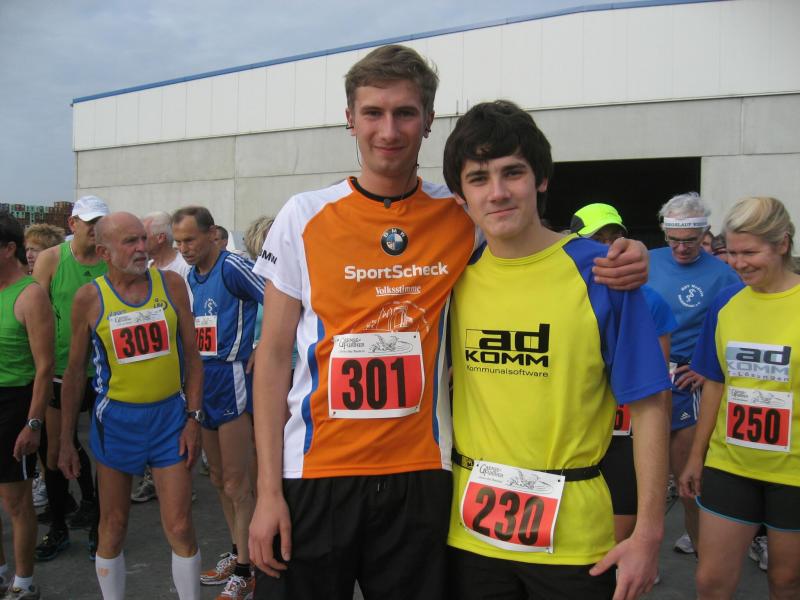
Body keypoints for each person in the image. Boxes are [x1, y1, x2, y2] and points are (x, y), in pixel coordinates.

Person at [248, 44, 649, 600]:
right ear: (350, 119)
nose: (389, 130)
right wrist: (267, 492)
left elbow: (533, 244)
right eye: (373, 113)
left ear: (428, 120)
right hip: (316, 472)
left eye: (405, 113)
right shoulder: (303, 215)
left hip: (423, 474)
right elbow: (271, 358)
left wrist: (625, 254)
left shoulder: (461, 214)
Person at [442, 100, 670, 600]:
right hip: (470, 537)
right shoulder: (453, 276)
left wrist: (648, 534)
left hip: (574, 542)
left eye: (513, 172)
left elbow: (651, 404)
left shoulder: (604, 272)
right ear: (461, 195)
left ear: (541, 179)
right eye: (479, 178)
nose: (498, 192)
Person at [57, 212, 203, 600]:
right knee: (114, 526)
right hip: (117, 422)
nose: (142, 248)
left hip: (170, 418)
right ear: (104, 251)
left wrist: (194, 418)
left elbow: (193, 357)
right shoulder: (90, 298)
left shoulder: (171, 284)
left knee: (180, 525)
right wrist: (66, 440)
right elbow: (74, 373)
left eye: (143, 238)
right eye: (130, 241)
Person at [679, 196, 800, 599]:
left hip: (793, 471)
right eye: (732, 252)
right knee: (710, 581)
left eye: (750, 253)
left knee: (786, 581)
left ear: (782, 244)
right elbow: (715, 382)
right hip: (731, 464)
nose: (738, 263)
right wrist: (696, 456)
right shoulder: (726, 304)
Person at [572, 203, 677, 544]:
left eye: (615, 236)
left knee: (615, 542)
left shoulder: (650, 300)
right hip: (575, 438)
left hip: (623, 436)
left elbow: (657, 388)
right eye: (597, 239)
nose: (608, 247)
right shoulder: (560, 295)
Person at [173, 206, 263, 600]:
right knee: (217, 479)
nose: (184, 248)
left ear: (212, 235)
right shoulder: (190, 276)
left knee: (237, 482)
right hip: (203, 380)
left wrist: (263, 344)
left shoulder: (233, 266)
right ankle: (239, 550)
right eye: (178, 242)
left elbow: (279, 296)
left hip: (231, 377)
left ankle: (248, 569)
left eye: (190, 240)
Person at [647, 192, 741, 556]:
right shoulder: (649, 261)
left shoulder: (724, 274)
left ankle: (704, 553)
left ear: (704, 233)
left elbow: (735, 328)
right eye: (674, 240)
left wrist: (709, 368)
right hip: (649, 376)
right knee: (643, 480)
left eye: (690, 240)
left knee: (689, 478)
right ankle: (644, 560)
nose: (681, 248)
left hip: (688, 381)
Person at [31, 195, 109, 561]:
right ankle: (59, 526)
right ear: (73, 223)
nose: (95, 229)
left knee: (103, 451)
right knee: (54, 450)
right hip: (61, 368)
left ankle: (99, 525)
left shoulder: (111, 259)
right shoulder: (52, 259)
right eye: (89, 222)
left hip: (104, 372)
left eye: (101, 222)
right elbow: (36, 310)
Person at [0, 213, 54, 600]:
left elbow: (45, 366)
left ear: (8, 249)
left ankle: (23, 583)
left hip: (15, 403)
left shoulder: (31, 295)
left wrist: (33, 423)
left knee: (16, 501)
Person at [132, 211, 193, 505]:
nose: (139, 244)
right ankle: (152, 478)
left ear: (158, 237)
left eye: (143, 237)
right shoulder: (148, 268)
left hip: (177, 357)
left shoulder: (182, 269)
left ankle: (179, 481)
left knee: (175, 425)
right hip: (150, 360)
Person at [22, 224, 64, 511]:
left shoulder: (47, 284)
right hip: (28, 366)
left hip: (52, 366)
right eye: (27, 249)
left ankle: (54, 490)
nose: (29, 255)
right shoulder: (24, 282)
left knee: (52, 437)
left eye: (35, 250)